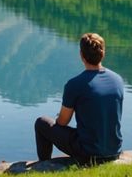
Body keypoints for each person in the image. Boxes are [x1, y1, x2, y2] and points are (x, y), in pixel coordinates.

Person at [34, 32, 123, 165]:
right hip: (114, 151)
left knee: (41, 123)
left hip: (87, 153)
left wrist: (59, 117)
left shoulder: (74, 84)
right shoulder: (118, 80)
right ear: (103, 53)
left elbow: (62, 122)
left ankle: (44, 165)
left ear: (81, 55)